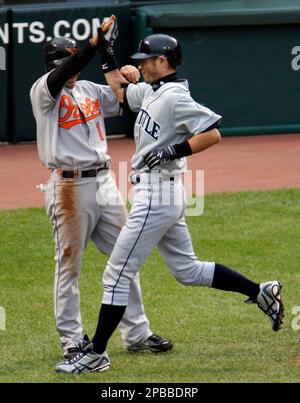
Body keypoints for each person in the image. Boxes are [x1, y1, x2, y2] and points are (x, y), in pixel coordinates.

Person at [55, 18, 284, 374]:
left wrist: (174, 151)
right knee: (187, 270)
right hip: (163, 193)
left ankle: (96, 353)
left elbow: (212, 132)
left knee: (116, 274)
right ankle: (260, 292)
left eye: (146, 59)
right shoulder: (152, 91)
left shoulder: (176, 96)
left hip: (157, 196)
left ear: (164, 61)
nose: (142, 64)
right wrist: (105, 51)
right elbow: (118, 91)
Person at [30, 24, 172, 361]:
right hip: (68, 187)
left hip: (104, 183)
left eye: (76, 65)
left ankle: (137, 333)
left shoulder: (89, 89)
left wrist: (118, 64)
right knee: (69, 265)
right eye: (68, 65)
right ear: (55, 65)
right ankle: (71, 341)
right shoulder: (44, 91)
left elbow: (123, 99)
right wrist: (92, 46)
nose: (73, 72)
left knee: (125, 257)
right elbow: (65, 69)